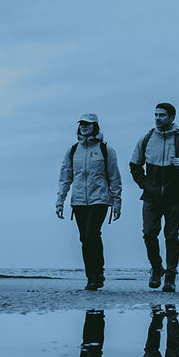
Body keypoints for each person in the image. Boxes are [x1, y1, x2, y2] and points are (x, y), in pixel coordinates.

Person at [128, 103, 179, 293]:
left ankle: (170, 277)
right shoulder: (145, 139)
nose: (157, 118)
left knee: (171, 236)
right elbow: (134, 166)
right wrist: (145, 184)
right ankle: (156, 269)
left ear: (171, 117)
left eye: (162, 115)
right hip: (150, 197)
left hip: (174, 197)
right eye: (155, 114)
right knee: (148, 234)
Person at [57, 113, 122, 290]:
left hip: (99, 199)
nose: (84, 126)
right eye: (82, 124)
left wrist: (117, 202)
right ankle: (90, 276)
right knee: (84, 238)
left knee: (92, 233)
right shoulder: (72, 151)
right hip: (78, 201)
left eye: (88, 124)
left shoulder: (106, 150)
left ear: (95, 126)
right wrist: (60, 200)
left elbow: (114, 177)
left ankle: (98, 273)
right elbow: (65, 177)